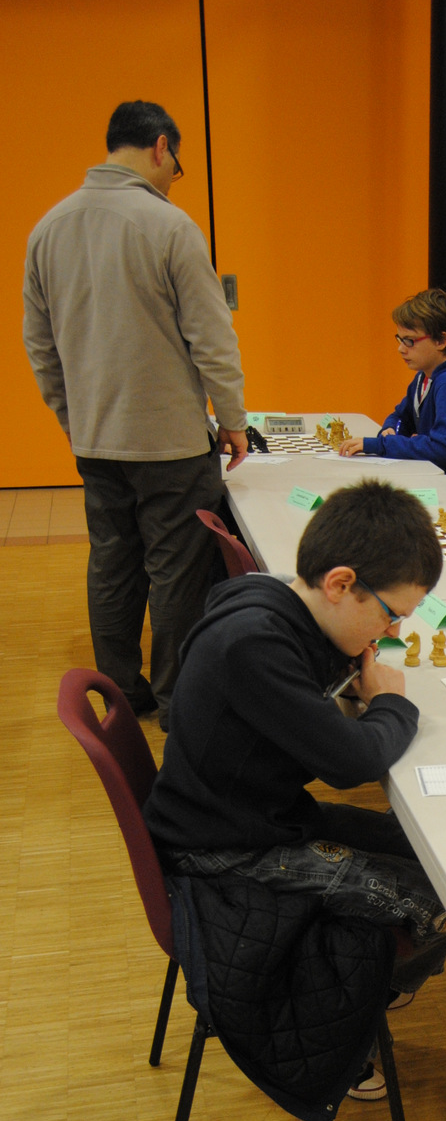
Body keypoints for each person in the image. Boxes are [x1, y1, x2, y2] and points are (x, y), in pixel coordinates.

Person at [145, 481, 446, 1095]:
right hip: (222, 850)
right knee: (444, 901)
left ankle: (377, 988)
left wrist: (350, 678)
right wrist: (391, 703)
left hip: (257, 814)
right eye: (391, 614)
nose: (392, 629)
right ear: (340, 583)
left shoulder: (272, 603)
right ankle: (356, 1021)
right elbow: (350, 761)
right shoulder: (253, 644)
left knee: (445, 855)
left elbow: (312, 723)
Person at [24, 100, 248, 730]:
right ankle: (179, 703)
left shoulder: (48, 227)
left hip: (96, 438)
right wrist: (232, 418)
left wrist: (74, 418)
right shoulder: (170, 226)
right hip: (171, 442)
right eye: (177, 164)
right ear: (160, 147)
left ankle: (120, 696)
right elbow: (212, 339)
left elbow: (40, 346)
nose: (175, 177)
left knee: (112, 564)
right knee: (177, 571)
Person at [340, 289, 446, 485]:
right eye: (400, 339)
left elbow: (443, 450)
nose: (401, 349)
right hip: (434, 479)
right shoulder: (423, 377)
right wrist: (391, 430)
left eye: (410, 341)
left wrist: (380, 444)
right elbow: (400, 417)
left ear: (441, 340)